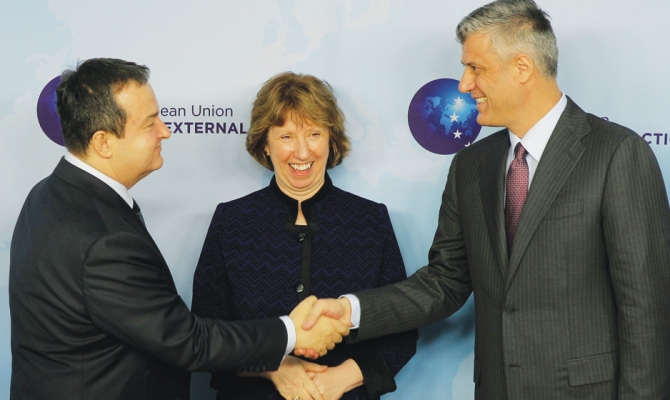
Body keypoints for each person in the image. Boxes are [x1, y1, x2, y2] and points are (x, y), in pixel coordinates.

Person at [300, 0, 670, 398]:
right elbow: (444, 282)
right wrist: (350, 311)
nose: (464, 84)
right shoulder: (470, 164)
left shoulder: (616, 153)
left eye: (475, 68)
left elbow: (647, 310)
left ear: (522, 67)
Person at [8, 58, 347, 400]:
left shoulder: (50, 193)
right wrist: (292, 333)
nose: (165, 131)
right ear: (103, 142)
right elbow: (188, 341)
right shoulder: (104, 239)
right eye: (150, 123)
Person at [191, 72, 418, 400]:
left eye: (314, 134)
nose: (301, 152)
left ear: (331, 140)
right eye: (286, 136)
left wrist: (338, 381)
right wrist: (272, 367)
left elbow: (400, 328)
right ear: (265, 143)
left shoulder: (371, 220)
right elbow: (205, 333)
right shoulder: (231, 221)